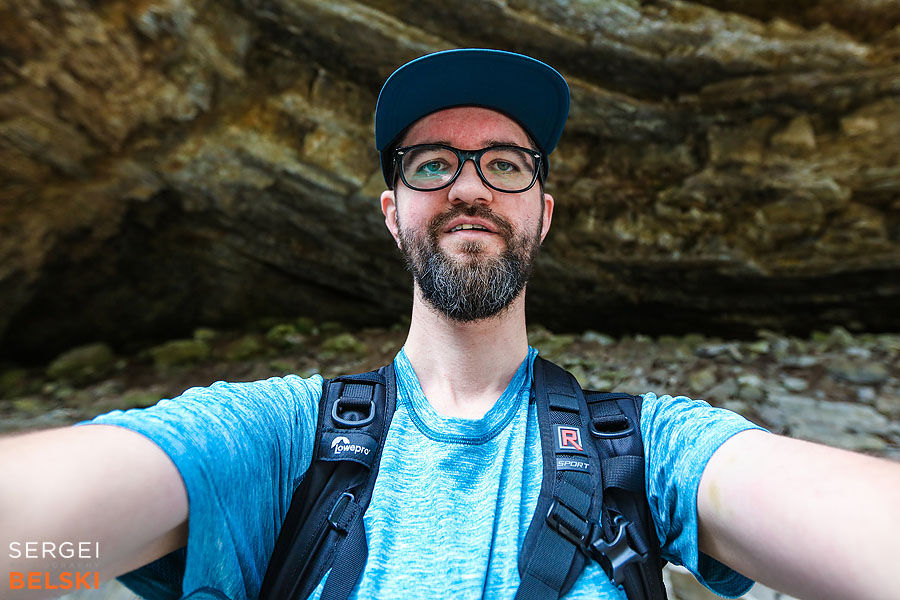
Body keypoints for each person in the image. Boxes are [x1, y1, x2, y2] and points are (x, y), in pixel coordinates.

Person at [1, 48, 899, 600]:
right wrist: (47, 568)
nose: (470, 186)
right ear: (392, 213)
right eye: (433, 164)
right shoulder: (281, 441)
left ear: (544, 212)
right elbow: (37, 544)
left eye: (505, 164)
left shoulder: (644, 450)